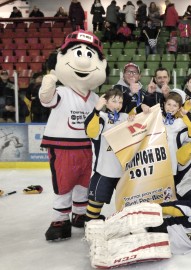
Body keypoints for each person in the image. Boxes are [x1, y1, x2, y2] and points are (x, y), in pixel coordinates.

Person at [39, 30, 107, 241]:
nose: (85, 62)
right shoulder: (62, 92)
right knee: (64, 182)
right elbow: (45, 99)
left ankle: (80, 214)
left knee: (84, 183)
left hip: (87, 148)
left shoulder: (95, 96)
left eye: (91, 55)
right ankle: (60, 218)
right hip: (63, 146)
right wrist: (50, 78)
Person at [84, 88, 132, 221]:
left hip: (123, 171)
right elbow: (91, 132)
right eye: (114, 101)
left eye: (120, 102)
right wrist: (96, 110)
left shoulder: (125, 117)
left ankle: (125, 225)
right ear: (106, 102)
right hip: (104, 170)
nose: (117, 105)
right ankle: (90, 225)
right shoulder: (101, 117)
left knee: (127, 203)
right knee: (96, 201)